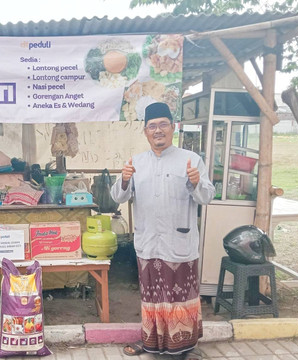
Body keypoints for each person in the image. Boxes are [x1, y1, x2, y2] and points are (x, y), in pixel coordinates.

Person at [110, 102, 215, 359]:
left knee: (180, 297)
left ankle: (185, 346)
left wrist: (196, 182)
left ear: (173, 128)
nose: (158, 130)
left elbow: (207, 196)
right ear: (145, 131)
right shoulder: (135, 162)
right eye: (152, 126)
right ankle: (152, 343)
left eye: (163, 125)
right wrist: (124, 179)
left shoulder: (191, 160)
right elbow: (118, 197)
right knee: (153, 297)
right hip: (149, 243)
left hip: (179, 242)